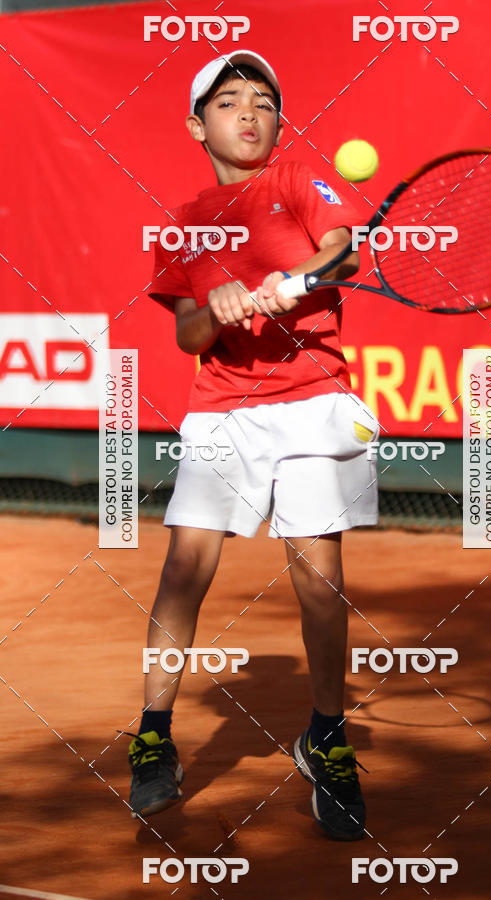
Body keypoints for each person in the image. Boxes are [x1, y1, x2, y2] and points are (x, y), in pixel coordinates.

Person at [126, 50, 380, 842]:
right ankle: (153, 738)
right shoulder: (184, 222)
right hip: (223, 410)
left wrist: (288, 284)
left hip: (313, 402)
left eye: (263, 101)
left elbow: (343, 248)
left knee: (319, 577)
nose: (248, 113)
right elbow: (187, 333)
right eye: (229, 101)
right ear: (197, 124)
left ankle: (327, 738)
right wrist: (222, 307)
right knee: (185, 567)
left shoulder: (301, 179)